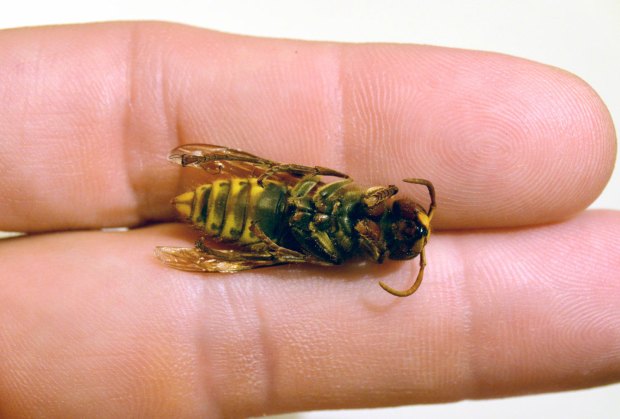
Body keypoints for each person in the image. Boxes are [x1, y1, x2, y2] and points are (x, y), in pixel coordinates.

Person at [0, 22, 617, 418]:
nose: (402, 225)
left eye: (405, 238)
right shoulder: (358, 202)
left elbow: (311, 241)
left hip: (264, 231)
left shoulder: (345, 250)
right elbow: (307, 183)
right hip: (255, 198)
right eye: (406, 216)